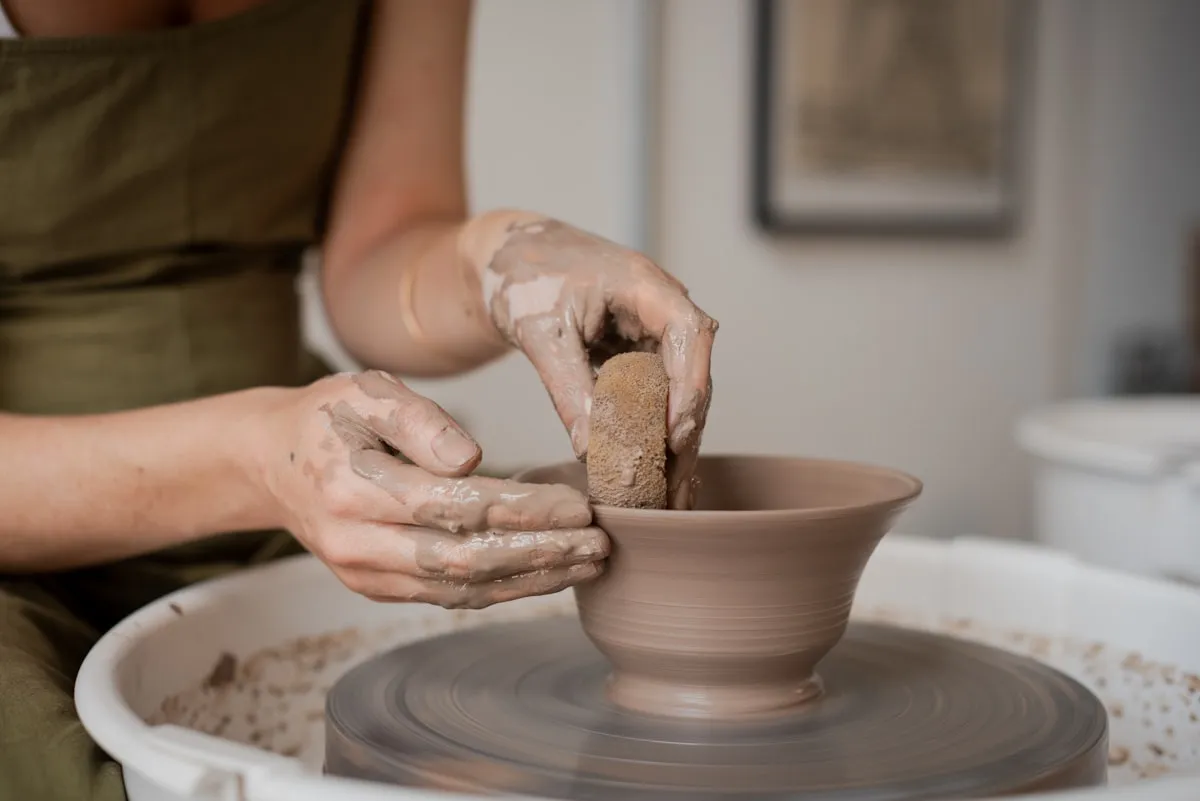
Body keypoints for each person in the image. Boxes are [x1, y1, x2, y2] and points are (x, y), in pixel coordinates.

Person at [0, 0, 717, 798]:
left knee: (595, 612)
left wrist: (503, 257)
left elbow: (382, 246)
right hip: (29, 512)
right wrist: (260, 457)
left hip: (298, 465)